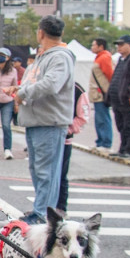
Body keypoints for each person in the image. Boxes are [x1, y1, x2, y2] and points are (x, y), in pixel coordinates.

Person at [4, 15, 75, 224]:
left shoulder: (60, 56)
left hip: (49, 121)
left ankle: (42, 213)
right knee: (38, 169)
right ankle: (41, 209)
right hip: (38, 120)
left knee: (46, 171)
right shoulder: (45, 56)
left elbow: (51, 84)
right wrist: (20, 89)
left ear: (41, 33)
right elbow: (39, 83)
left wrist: (22, 93)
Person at [108, 34, 130, 159]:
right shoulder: (121, 60)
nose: (119, 47)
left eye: (121, 44)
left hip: (126, 100)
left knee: (129, 125)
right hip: (117, 100)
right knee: (121, 126)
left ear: (129, 45)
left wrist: (128, 94)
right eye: (118, 45)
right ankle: (123, 149)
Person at [56, 82, 90, 211]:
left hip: (64, 140)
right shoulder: (46, 83)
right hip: (45, 138)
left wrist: (68, 130)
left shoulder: (76, 88)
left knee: (61, 176)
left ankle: (61, 208)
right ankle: (43, 208)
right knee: (44, 176)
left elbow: (84, 116)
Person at [88, 37, 114, 151]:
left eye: (94, 45)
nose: (92, 47)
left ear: (100, 46)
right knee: (99, 118)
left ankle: (106, 143)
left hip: (101, 93)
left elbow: (110, 74)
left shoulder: (104, 58)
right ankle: (100, 142)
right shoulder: (99, 58)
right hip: (97, 93)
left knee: (103, 118)